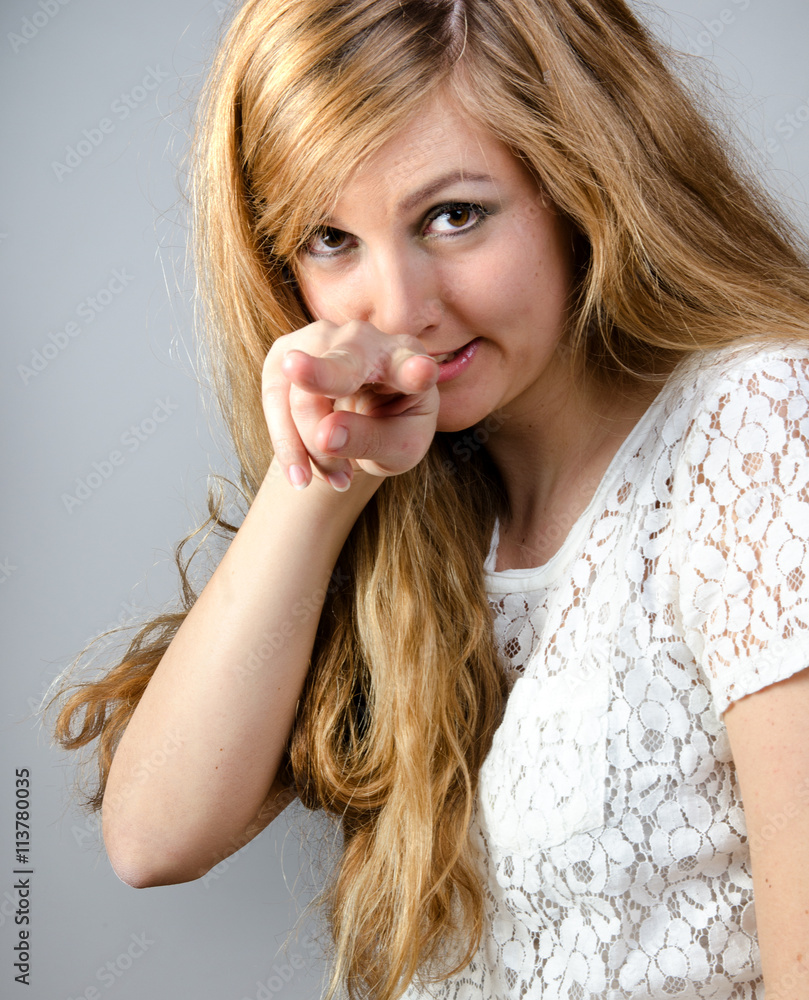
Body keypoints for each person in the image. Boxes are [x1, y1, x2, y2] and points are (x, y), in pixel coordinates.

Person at [46, 0, 809, 997]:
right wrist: (326, 477)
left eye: (454, 216)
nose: (397, 307)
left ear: (586, 182)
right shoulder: (422, 497)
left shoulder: (757, 425)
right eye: (329, 239)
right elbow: (153, 834)